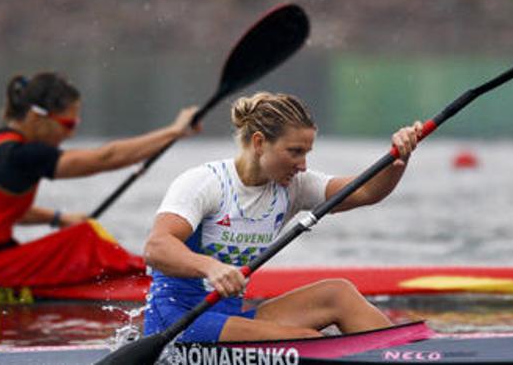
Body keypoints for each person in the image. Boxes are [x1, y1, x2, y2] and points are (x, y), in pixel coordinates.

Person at [143, 92, 422, 342]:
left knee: (338, 294)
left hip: (229, 316)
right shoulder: (205, 182)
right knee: (307, 340)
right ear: (259, 142)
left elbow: (365, 191)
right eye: (295, 152)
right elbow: (156, 247)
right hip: (178, 322)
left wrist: (398, 158)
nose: (303, 165)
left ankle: (410, 355)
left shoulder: (293, 186)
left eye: (306, 153)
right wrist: (211, 267)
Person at [0, 72, 200, 289]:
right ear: (38, 118)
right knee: (84, 239)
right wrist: (174, 131)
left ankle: (148, 271)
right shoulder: (20, 155)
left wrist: (58, 218)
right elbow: (105, 158)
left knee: (79, 232)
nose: (71, 134)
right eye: (68, 124)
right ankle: (162, 281)